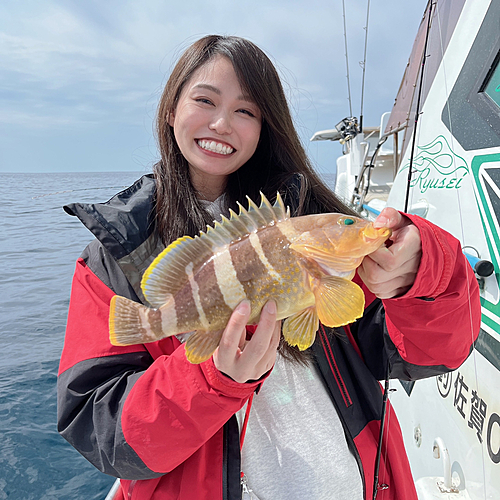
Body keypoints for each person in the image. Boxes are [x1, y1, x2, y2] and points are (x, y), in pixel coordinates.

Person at [57, 35, 480, 500]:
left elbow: (428, 353)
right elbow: (99, 429)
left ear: (265, 127)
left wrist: (426, 273)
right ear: (170, 109)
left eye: (246, 111)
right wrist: (213, 379)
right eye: (204, 100)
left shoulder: (315, 225)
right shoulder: (113, 255)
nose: (222, 123)